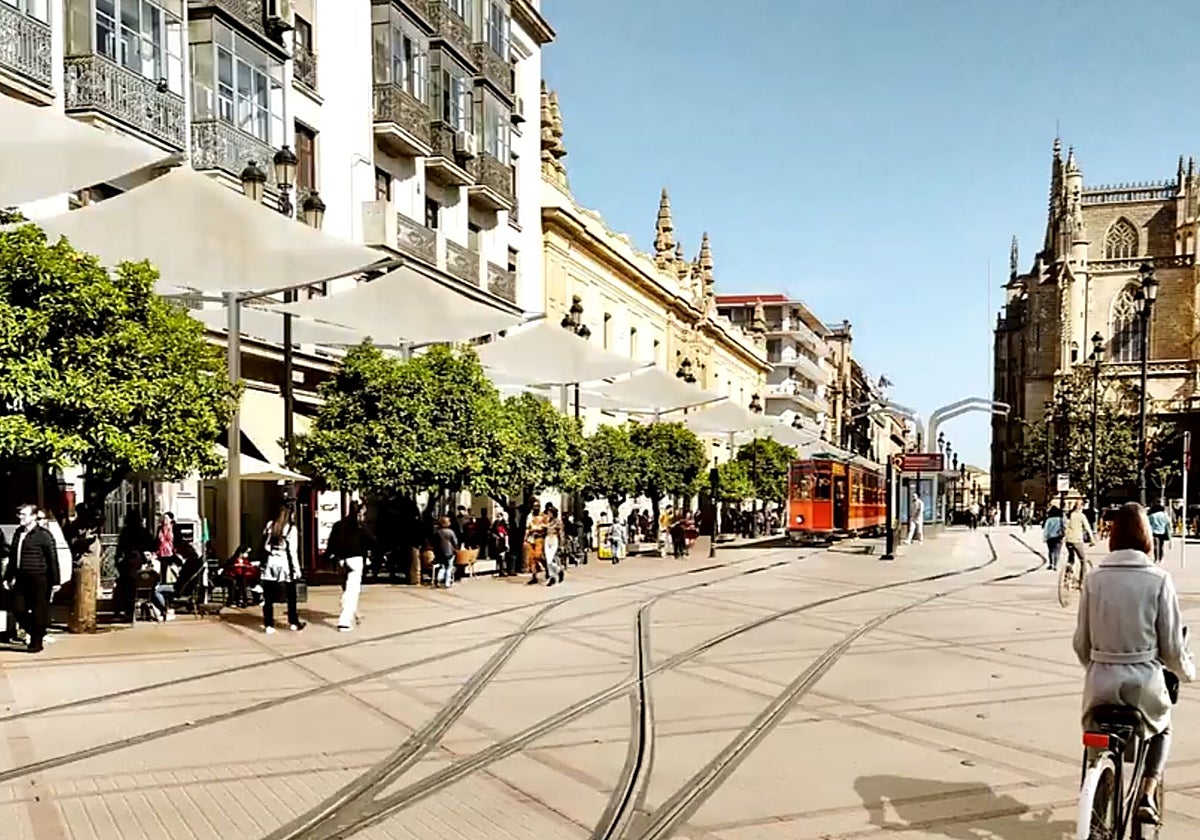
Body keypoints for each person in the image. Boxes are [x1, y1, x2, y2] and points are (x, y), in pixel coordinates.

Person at [1073, 502, 1194, 825]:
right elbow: (1170, 647)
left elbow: (1080, 643)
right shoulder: (1159, 580)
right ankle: (1147, 793)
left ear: (1112, 537)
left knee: (1097, 736)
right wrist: (1187, 672)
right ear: (1147, 538)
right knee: (1162, 726)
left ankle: (1101, 782)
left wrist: (1097, 666)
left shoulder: (1094, 579)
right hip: (1143, 683)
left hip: (1100, 682)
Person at [5, 505, 60, 652]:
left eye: (24, 515)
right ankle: (36, 632)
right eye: (20, 514)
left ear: (34, 516)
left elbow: (52, 558)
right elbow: (12, 557)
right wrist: (7, 577)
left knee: (38, 610)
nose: (20, 517)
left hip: (39, 577)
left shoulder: (43, 535)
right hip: (21, 577)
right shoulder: (18, 533)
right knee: (17, 608)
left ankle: (36, 642)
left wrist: (55, 581)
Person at [326, 502, 374, 631]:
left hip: (342, 560)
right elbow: (372, 541)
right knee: (352, 591)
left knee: (346, 586)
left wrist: (331, 556)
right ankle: (345, 621)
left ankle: (352, 610)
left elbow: (331, 543)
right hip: (356, 560)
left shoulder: (339, 525)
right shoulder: (360, 527)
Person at [260, 506, 304, 634]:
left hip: (270, 563)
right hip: (285, 564)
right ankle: (293, 622)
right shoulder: (291, 529)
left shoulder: (270, 525)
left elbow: (265, 546)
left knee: (268, 596)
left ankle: (268, 624)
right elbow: (293, 551)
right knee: (291, 595)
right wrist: (297, 568)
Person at [1064, 501, 1095, 573]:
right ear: (1082, 507)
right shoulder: (1081, 516)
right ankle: (1082, 581)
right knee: (1083, 560)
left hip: (1068, 540)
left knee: (1071, 557)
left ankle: (1067, 574)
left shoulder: (1071, 515)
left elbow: (1066, 526)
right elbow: (1088, 528)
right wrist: (1092, 540)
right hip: (1077, 540)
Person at [542, 504, 564, 587]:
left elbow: (561, 533)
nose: (548, 514)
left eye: (550, 513)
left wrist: (561, 544)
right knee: (548, 560)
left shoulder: (558, 522)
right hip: (547, 539)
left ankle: (558, 571)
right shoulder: (547, 521)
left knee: (551, 559)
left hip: (554, 539)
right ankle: (553, 576)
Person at [433, 515, 458, 588]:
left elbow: (435, 542)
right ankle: (447, 582)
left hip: (440, 552)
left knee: (442, 567)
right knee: (449, 567)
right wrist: (456, 548)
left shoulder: (438, 532)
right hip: (450, 552)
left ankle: (439, 580)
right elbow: (455, 542)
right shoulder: (451, 532)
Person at [1043, 504, 1065, 571]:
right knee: (1057, 551)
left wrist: (1045, 537)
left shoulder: (1049, 520)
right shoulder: (1060, 519)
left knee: (1051, 551)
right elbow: (1064, 527)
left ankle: (1051, 563)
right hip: (1058, 537)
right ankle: (1055, 565)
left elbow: (1046, 529)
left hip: (1050, 537)